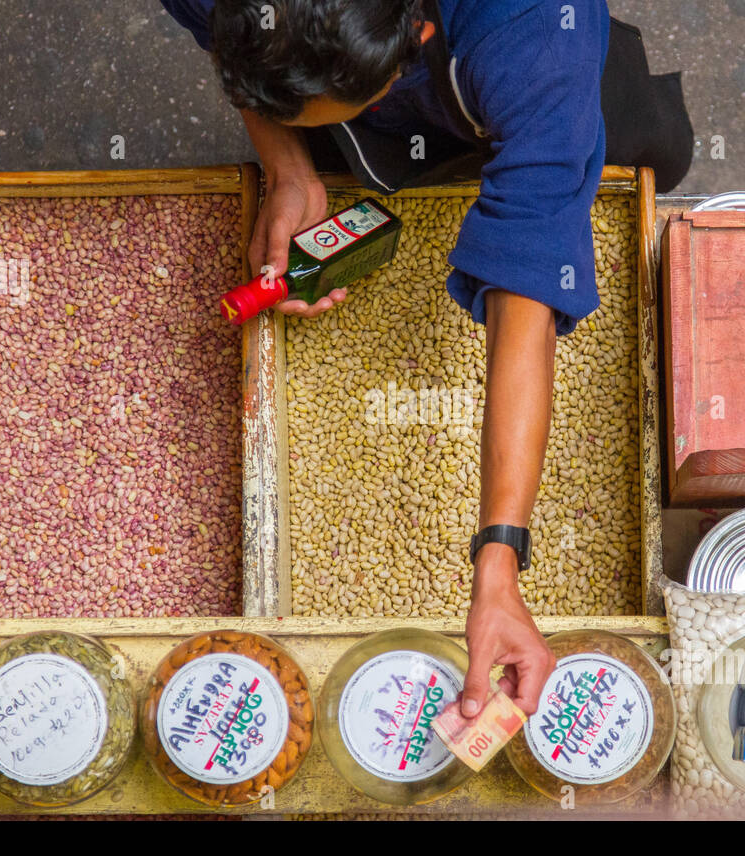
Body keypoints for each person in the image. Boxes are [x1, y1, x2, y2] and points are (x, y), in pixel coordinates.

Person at [161, 0, 692, 719]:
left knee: (621, 144)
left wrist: (499, 562)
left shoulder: (535, 43)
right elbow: (224, 52)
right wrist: (289, 166)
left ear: (418, 33)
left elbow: (525, 303)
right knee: (363, 154)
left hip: (523, 77)